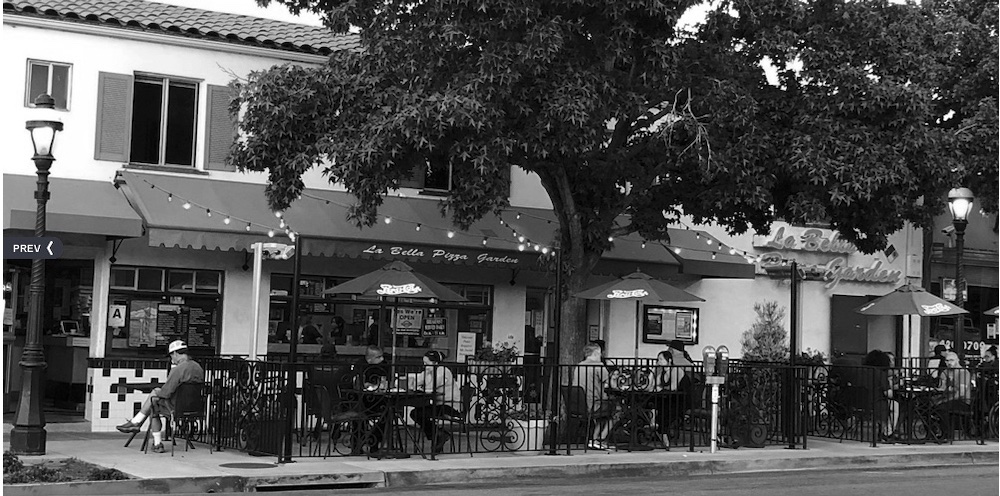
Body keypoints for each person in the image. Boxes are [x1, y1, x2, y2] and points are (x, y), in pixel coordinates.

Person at [116, 340, 204, 453]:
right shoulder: (198, 368)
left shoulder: (178, 369)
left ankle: (154, 440)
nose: (172, 359)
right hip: (194, 408)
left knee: (154, 401)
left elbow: (166, 393)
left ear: (175, 354)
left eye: (171, 355)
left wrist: (158, 391)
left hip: (175, 408)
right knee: (155, 399)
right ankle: (136, 423)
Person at [408, 351, 461, 454]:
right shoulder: (427, 371)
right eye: (424, 363)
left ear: (435, 363)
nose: (425, 366)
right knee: (416, 412)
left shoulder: (443, 371)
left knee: (420, 413)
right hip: (439, 404)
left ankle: (438, 435)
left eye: (427, 363)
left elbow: (432, 386)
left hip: (450, 406)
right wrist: (415, 382)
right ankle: (438, 435)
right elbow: (413, 384)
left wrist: (422, 383)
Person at [571, 343, 615, 450]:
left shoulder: (579, 366)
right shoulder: (598, 366)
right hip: (594, 404)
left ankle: (594, 440)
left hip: (579, 405)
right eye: (600, 354)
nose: (601, 356)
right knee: (617, 411)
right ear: (595, 353)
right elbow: (611, 384)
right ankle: (599, 439)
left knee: (604, 413)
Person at [354, 346, 391, 453]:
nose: (382, 359)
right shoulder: (360, 365)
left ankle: (374, 442)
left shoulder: (384, 365)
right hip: (359, 400)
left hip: (378, 399)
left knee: (387, 412)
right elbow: (356, 383)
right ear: (370, 358)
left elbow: (386, 380)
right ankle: (357, 444)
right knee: (359, 416)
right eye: (378, 357)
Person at [862, 350, 899, 441]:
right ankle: (887, 433)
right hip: (877, 403)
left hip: (862, 401)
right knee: (895, 406)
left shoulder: (861, 371)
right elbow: (888, 394)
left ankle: (883, 432)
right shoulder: (881, 374)